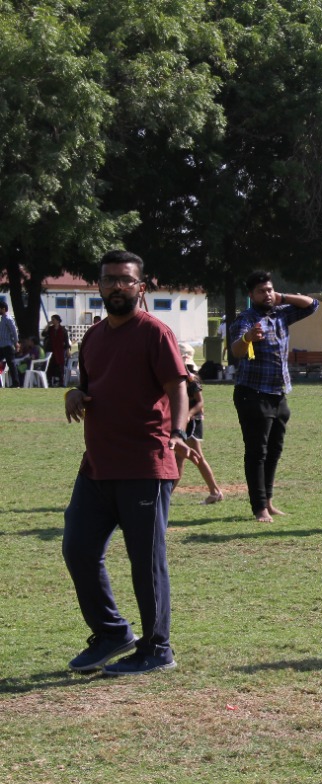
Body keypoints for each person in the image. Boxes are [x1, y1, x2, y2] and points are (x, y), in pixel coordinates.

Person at [62, 249, 201, 675]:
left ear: (141, 287)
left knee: (146, 560)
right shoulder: (94, 337)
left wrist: (178, 434)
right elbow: (88, 387)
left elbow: (178, 388)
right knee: (78, 549)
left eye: (126, 279)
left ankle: (158, 647)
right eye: (109, 280)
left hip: (145, 464)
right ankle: (112, 633)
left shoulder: (154, 333)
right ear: (99, 286)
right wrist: (73, 394)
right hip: (97, 467)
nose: (117, 286)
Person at [227, 270, 318, 522]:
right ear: (250, 295)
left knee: (274, 450)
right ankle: (259, 508)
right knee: (257, 452)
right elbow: (236, 350)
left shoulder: (281, 313)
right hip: (252, 394)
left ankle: (268, 500)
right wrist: (247, 338)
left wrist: (282, 297)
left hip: (278, 394)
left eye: (269, 289)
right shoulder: (246, 319)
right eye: (261, 291)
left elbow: (313, 305)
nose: (266, 294)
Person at [176, 343, 224, 504]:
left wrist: (188, 415)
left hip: (192, 423)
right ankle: (165, 494)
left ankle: (215, 491)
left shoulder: (191, 379)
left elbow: (200, 403)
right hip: (183, 421)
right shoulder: (179, 377)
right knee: (179, 458)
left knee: (196, 457)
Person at [43, 314, 71, 386]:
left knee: (60, 366)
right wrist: (48, 325)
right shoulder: (51, 329)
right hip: (51, 349)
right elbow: (43, 334)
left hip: (60, 350)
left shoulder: (63, 330)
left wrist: (67, 351)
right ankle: (49, 381)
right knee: (50, 366)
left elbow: (66, 341)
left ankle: (61, 381)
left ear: (57, 320)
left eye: (53, 320)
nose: (52, 321)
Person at [0, 300, 18, 383]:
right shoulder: (2, 319)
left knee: (11, 364)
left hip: (8, 345)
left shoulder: (8, 318)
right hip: (2, 345)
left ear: (3, 309)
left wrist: (16, 342)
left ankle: (16, 382)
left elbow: (14, 331)